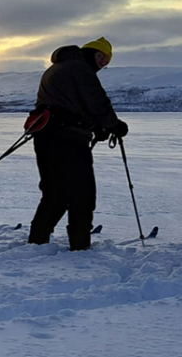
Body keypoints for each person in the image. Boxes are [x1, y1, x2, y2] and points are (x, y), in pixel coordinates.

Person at [27, 37, 127, 250]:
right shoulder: (80, 68)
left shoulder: (59, 68)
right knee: (82, 193)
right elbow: (96, 101)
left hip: (46, 136)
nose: (103, 63)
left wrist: (96, 127)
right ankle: (80, 246)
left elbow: (71, 104)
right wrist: (114, 125)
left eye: (107, 61)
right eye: (101, 57)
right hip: (68, 138)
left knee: (55, 192)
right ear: (91, 52)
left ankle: (37, 240)